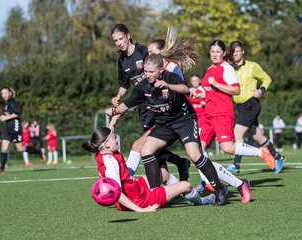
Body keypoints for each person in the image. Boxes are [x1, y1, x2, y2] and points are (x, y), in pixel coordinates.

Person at [106, 54, 253, 205]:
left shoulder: (171, 77)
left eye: (151, 72)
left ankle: (220, 189)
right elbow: (126, 105)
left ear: (160, 70)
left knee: (195, 155)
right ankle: (157, 194)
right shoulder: (142, 86)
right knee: (145, 150)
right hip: (164, 124)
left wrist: (168, 86)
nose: (147, 75)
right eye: (145, 71)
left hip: (185, 120)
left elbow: (185, 89)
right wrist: (113, 111)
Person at [110, 23, 189, 180]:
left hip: (158, 106)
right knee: (154, 151)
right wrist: (118, 96)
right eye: (115, 40)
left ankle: (125, 181)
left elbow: (163, 69)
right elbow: (124, 85)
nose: (119, 42)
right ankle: (177, 169)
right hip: (144, 108)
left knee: (141, 146)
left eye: (121, 38)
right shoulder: (122, 61)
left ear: (128, 36)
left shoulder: (144, 51)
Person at [82, 127, 217, 212]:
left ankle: (179, 194)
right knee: (186, 185)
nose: (116, 140)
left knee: (163, 173)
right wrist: (140, 209)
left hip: (135, 189)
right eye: (113, 138)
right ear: (105, 144)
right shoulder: (110, 161)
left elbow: (105, 177)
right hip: (139, 200)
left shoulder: (103, 154)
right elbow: (116, 193)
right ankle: (203, 200)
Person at [224, 40, 285, 174]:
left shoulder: (252, 66)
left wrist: (261, 91)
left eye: (238, 51)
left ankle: (236, 165)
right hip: (240, 107)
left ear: (243, 52)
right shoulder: (230, 68)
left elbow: (267, 79)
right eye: (233, 52)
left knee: (237, 133)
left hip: (251, 104)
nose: (236, 54)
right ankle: (278, 157)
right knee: (258, 137)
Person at [0, 86, 46, 174]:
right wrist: (2, 117)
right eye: (2, 93)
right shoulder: (6, 104)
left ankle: (39, 151)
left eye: (6, 93)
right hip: (8, 129)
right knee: (4, 147)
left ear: (10, 93)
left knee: (20, 149)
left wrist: (5, 118)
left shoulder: (11, 102)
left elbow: (18, 113)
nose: (4, 95)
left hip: (15, 128)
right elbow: (8, 115)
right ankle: (1, 169)